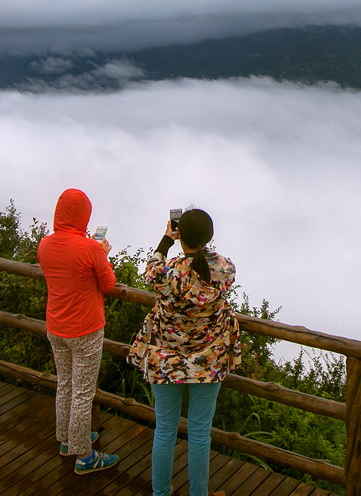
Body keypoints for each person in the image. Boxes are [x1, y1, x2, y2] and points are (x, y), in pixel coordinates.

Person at [128, 208, 241, 496]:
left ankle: (161, 492)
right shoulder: (224, 269)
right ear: (209, 237)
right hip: (209, 359)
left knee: (165, 429)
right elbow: (209, 269)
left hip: (166, 357)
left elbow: (150, 269)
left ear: (181, 237)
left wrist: (166, 240)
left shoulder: (167, 272)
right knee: (200, 433)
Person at [36, 188, 120, 475]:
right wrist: (103, 253)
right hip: (85, 330)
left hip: (55, 326)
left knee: (65, 385)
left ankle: (68, 440)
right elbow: (108, 285)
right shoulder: (91, 249)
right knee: (83, 393)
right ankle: (84, 456)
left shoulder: (44, 244)